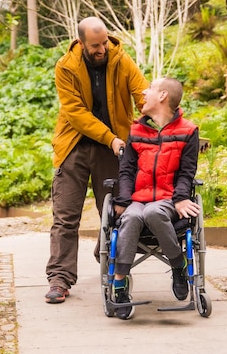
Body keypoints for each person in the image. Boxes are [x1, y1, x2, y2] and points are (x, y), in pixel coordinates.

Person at [45, 16, 149, 304]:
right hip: (74, 145)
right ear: (81, 43)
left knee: (117, 213)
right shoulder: (66, 67)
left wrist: (159, 113)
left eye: (104, 42)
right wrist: (111, 138)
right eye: (95, 45)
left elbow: (142, 93)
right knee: (65, 216)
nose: (102, 49)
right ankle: (60, 278)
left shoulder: (120, 59)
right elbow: (76, 113)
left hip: (113, 147)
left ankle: (110, 260)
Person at [111, 77, 200, 319]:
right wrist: (123, 200)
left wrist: (181, 197)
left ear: (162, 96)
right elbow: (127, 170)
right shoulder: (135, 131)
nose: (143, 91)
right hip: (138, 200)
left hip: (167, 200)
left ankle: (177, 265)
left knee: (153, 212)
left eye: (149, 88)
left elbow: (187, 172)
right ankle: (119, 284)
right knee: (131, 217)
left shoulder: (188, 131)